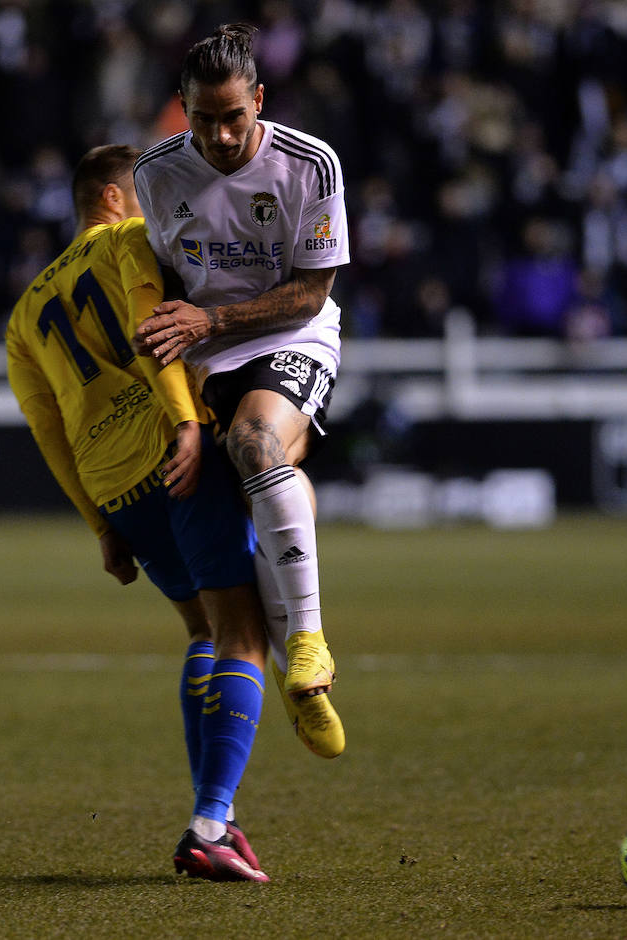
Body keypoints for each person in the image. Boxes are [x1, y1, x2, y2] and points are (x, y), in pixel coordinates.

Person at [6, 145, 270, 881]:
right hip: (173, 451)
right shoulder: (128, 244)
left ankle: (217, 812)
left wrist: (99, 524)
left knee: (200, 630)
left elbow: (48, 431)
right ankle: (211, 820)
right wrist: (187, 422)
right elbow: (156, 332)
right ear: (117, 200)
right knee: (243, 634)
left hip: (114, 485)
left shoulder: (25, 311)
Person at [133, 23, 348, 753]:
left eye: (235, 117)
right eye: (204, 120)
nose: (222, 135)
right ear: (183, 109)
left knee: (257, 443)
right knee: (258, 498)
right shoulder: (155, 174)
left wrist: (210, 319)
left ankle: (311, 642)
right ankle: (297, 677)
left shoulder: (309, 164)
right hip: (208, 358)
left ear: (259, 99)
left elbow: (313, 292)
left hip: (289, 335)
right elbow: (161, 286)